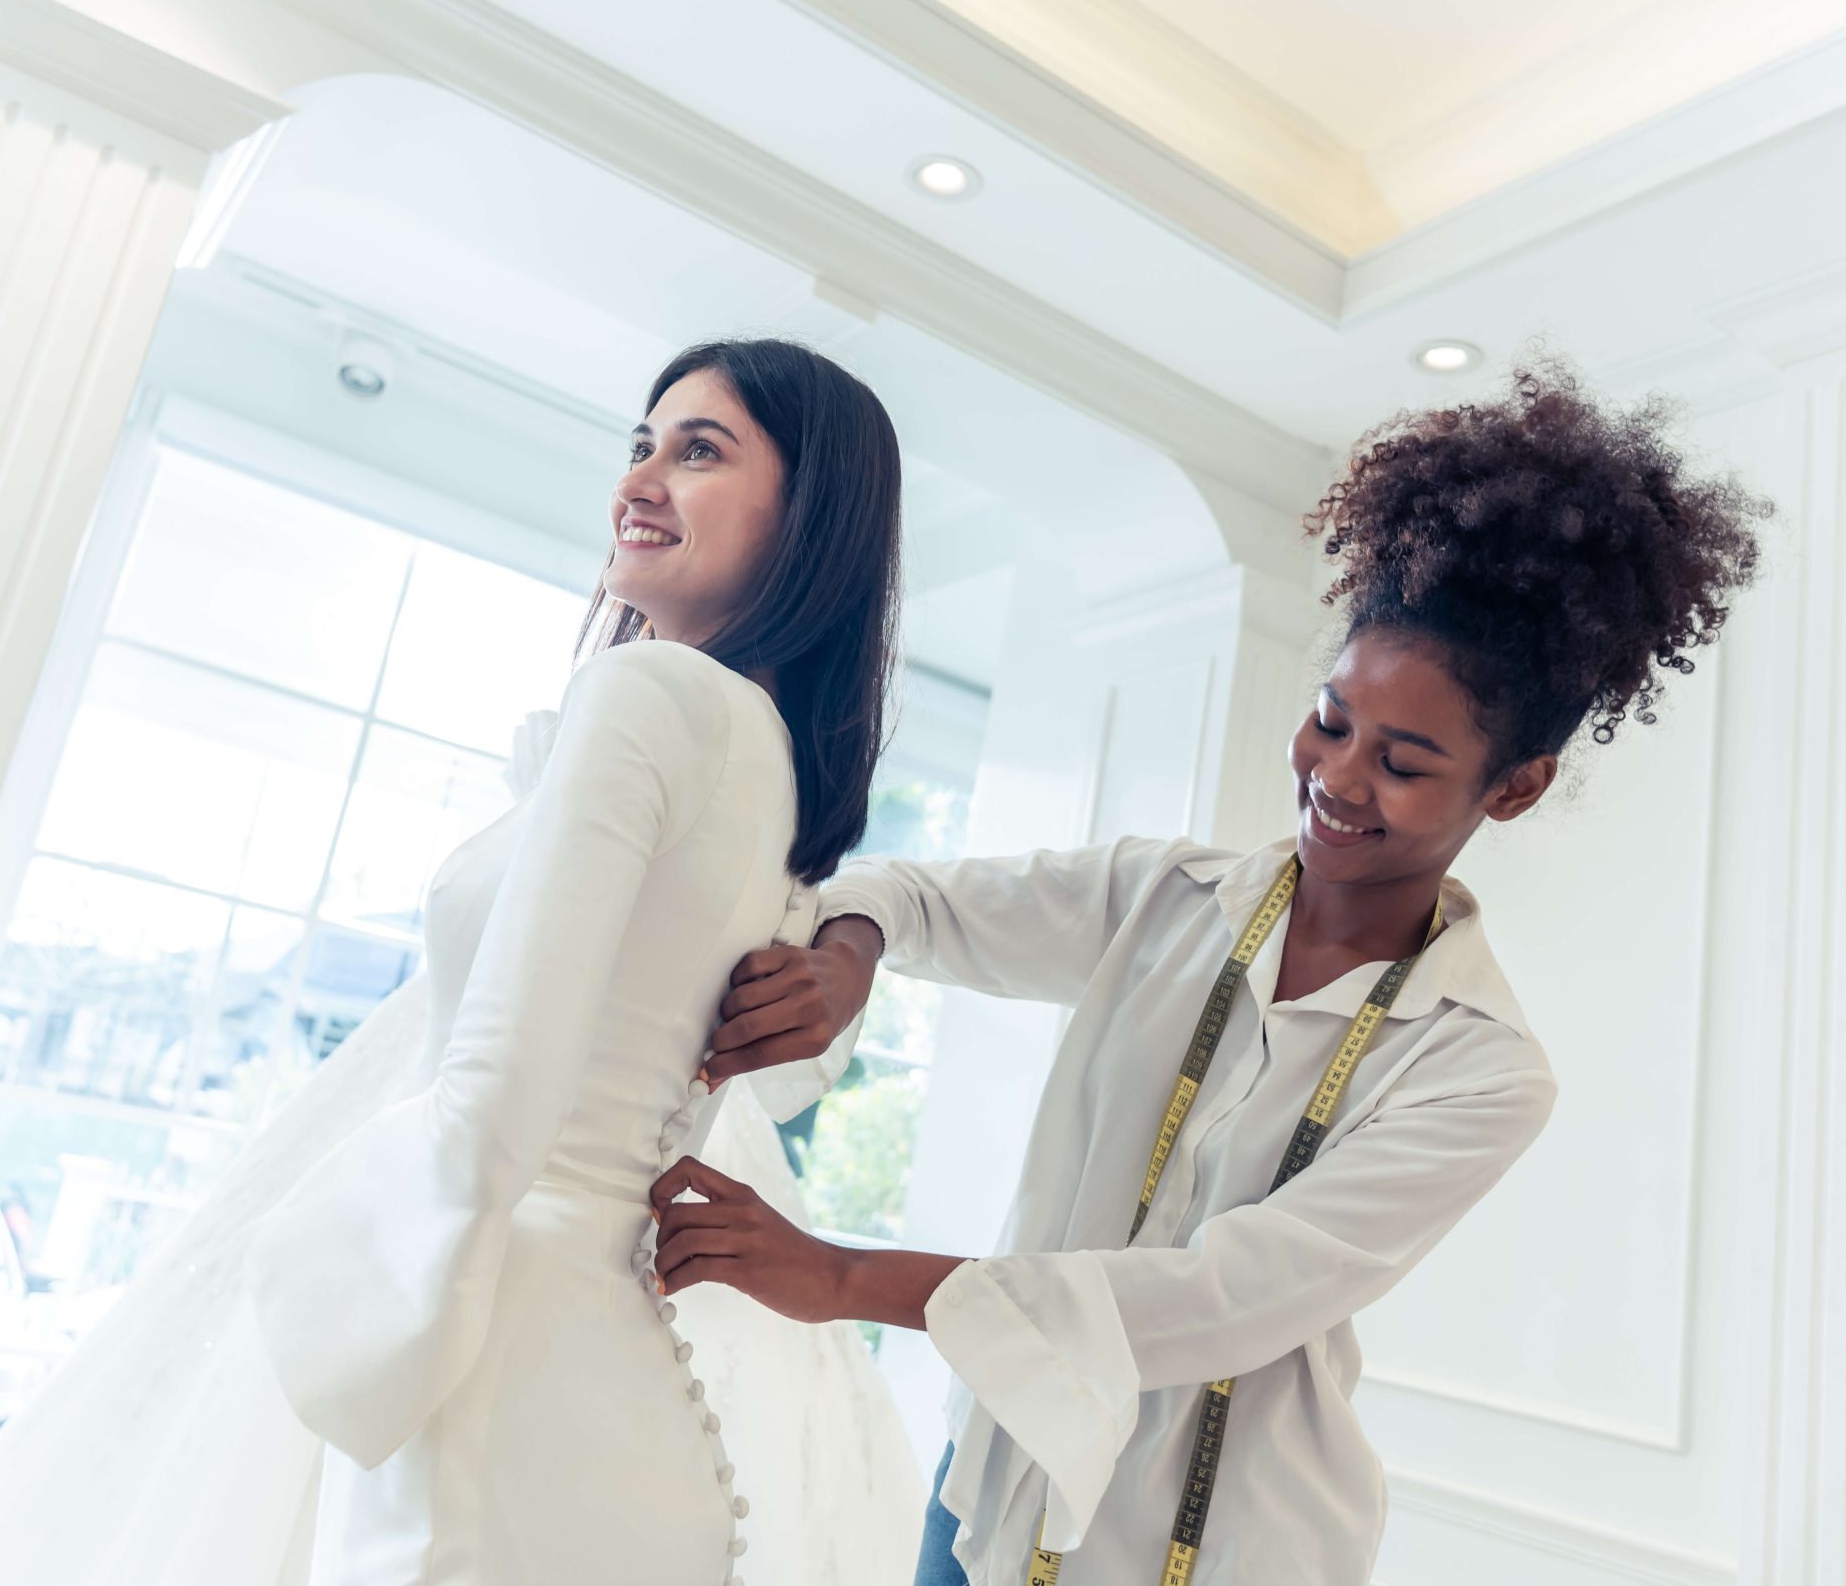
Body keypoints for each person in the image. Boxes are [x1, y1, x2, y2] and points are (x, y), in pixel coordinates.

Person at [652, 359, 1769, 1585]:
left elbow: (1220, 1298)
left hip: (1235, 1547)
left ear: (1512, 786)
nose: (1337, 779)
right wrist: (850, 961)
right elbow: (906, 893)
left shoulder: (1481, 1070)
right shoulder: (1162, 896)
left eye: (1402, 762)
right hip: (994, 1496)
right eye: (1332, 721)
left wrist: (840, 1276)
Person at [0, 338, 905, 1586]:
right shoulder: (776, 773)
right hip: (609, 1347)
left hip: (492, 1332)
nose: (639, 480)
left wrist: (341, 1292)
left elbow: (503, 1078)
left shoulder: (647, 695)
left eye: (699, 451)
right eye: (638, 444)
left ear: (812, 518)